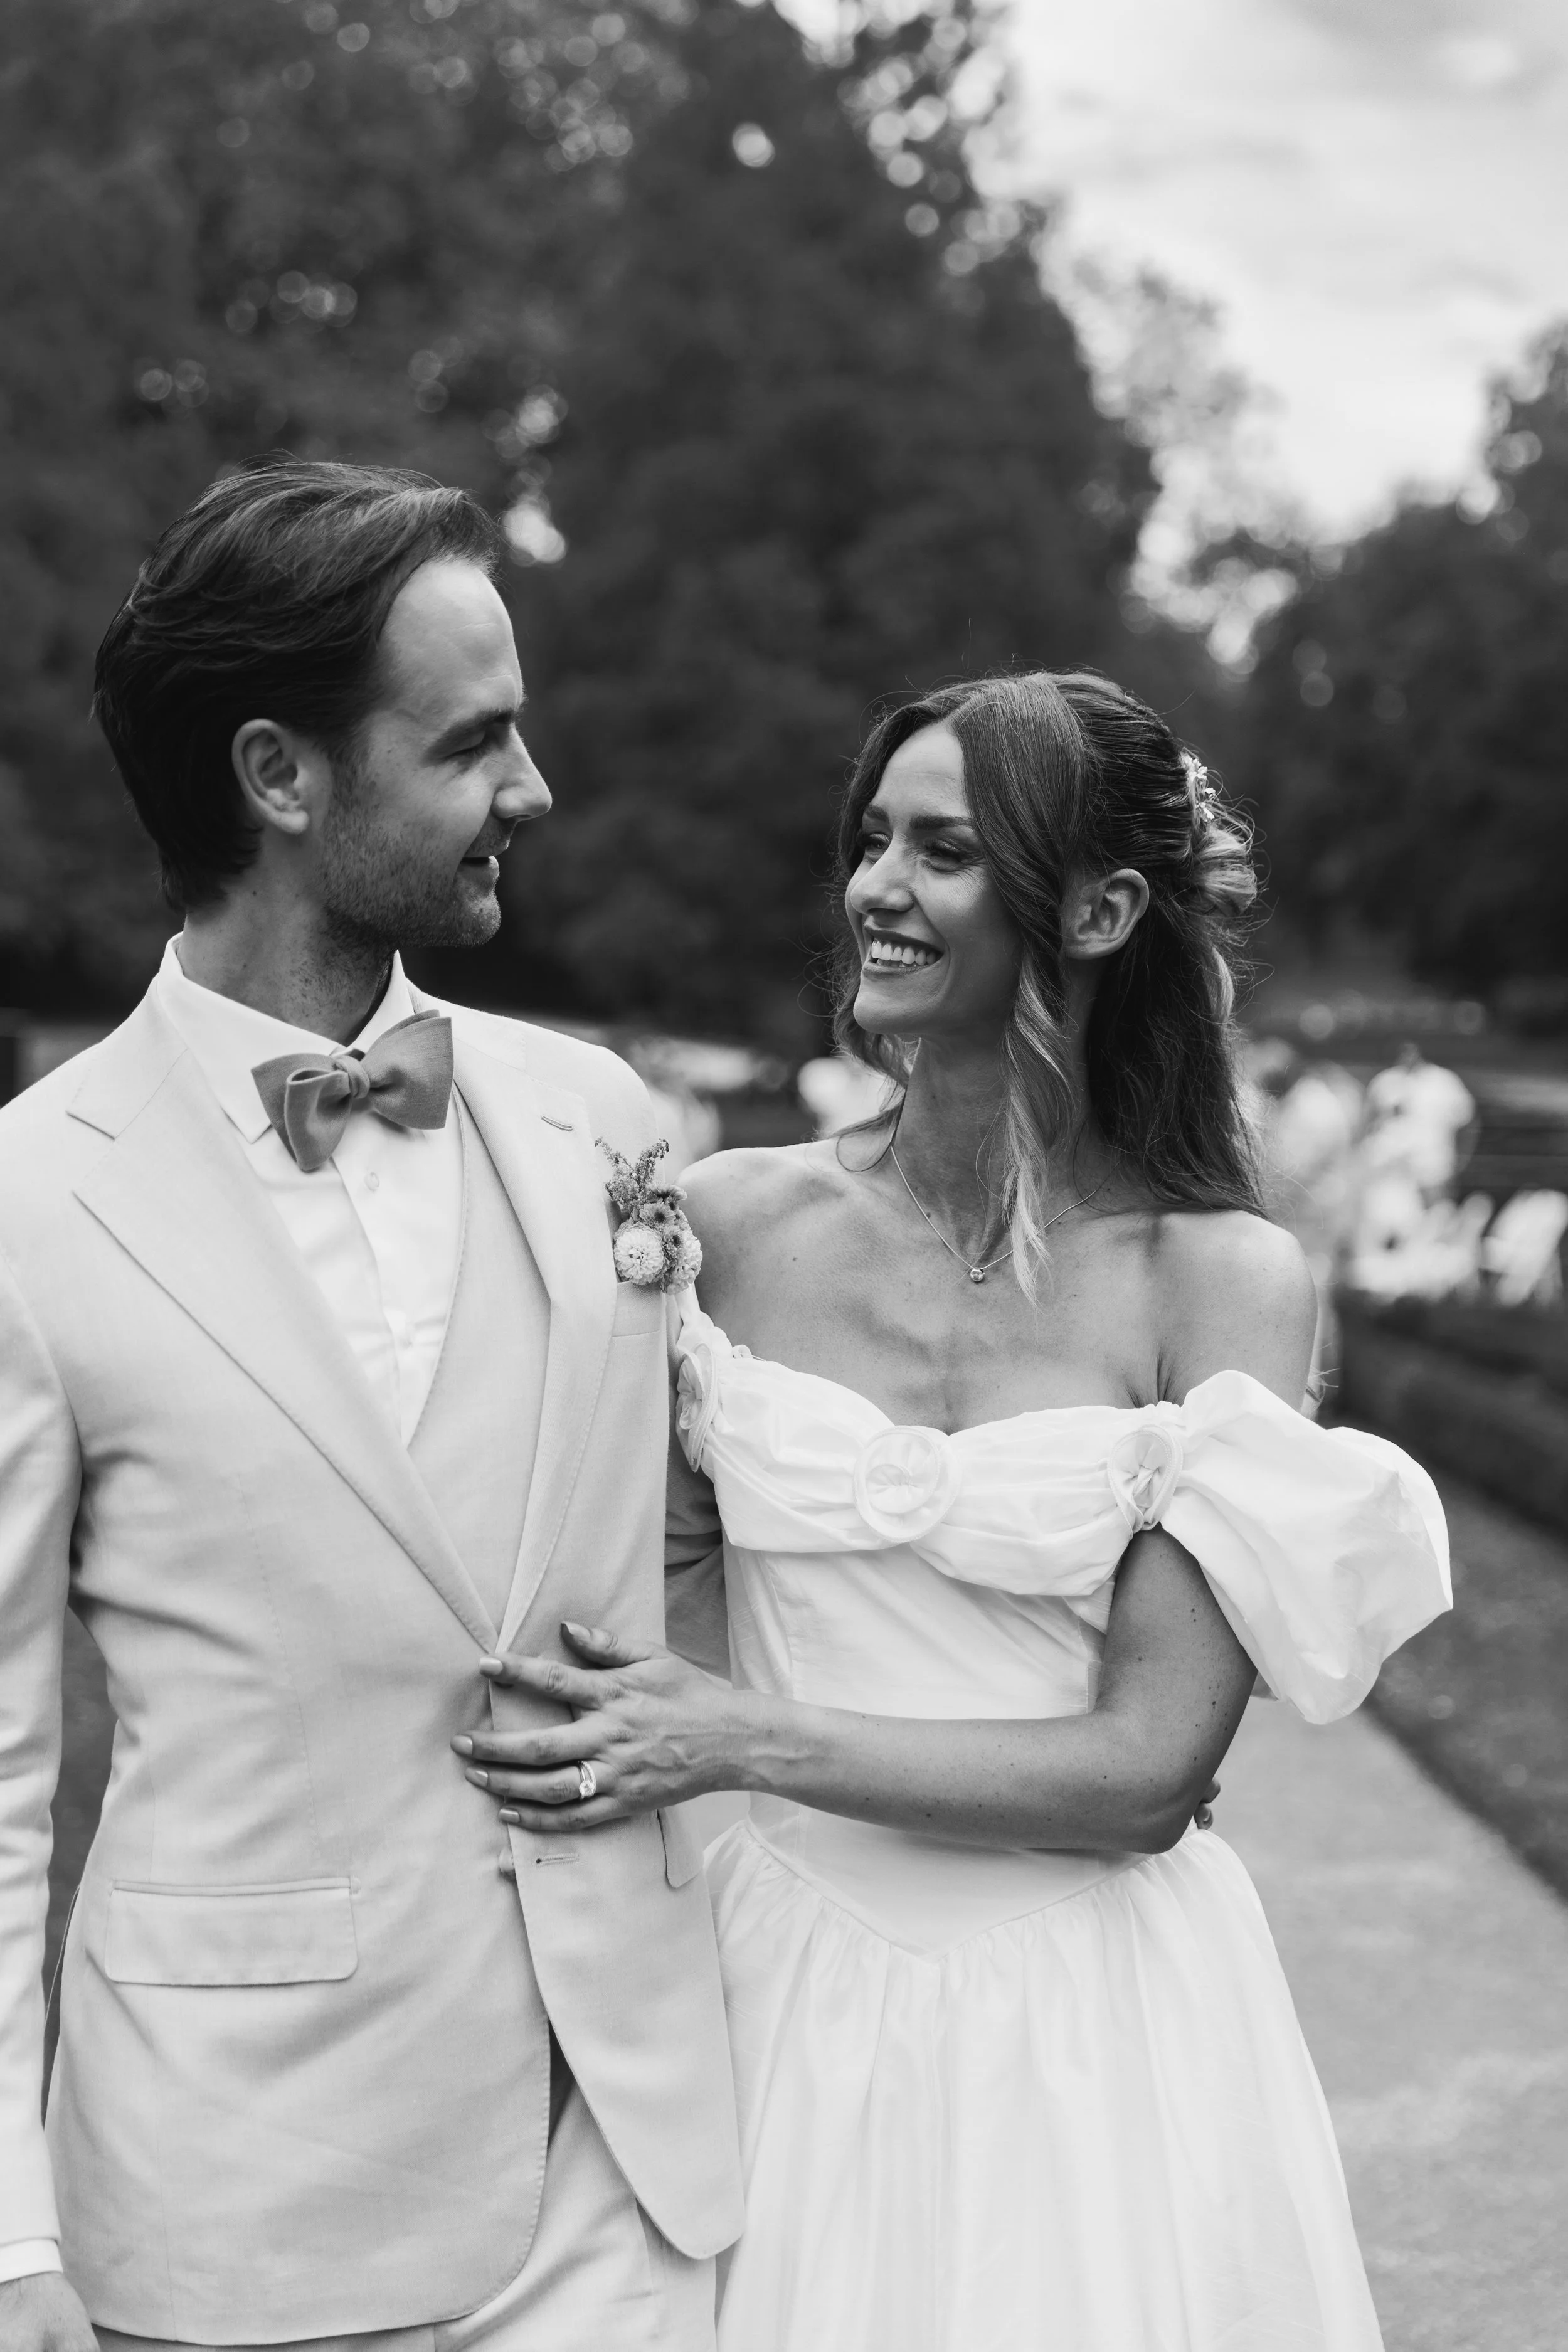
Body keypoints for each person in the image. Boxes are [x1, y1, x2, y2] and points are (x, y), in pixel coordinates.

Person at [458, 672, 1451, 2351]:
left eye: (940, 851)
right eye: (867, 841)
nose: (873, 888)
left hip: (1089, 2030)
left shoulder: (1212, 1275)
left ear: (1100, 904)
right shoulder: (725, 1223)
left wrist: (736, 1736)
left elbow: (1147, 1771)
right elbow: (624, 1590)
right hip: (772, 1989)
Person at [0, 462, 741, 2352]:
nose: (534, 788)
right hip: (235, 2196)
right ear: (280, 776)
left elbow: (722, 1548)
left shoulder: (600, 1123)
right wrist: (11, 2249)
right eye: (473, 740)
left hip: (635, 2168)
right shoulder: (28, 1200)